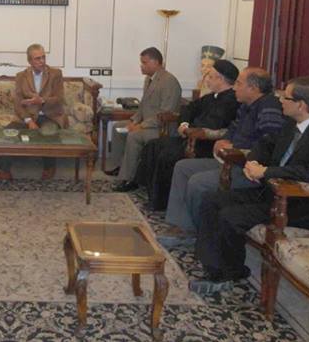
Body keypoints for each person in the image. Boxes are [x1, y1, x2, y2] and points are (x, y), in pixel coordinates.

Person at [191, 77, 309, 294]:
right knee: (212, 199)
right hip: (272, 192)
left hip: (305, 203)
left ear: (301, 105)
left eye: (286, 97)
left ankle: (228, 274)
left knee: (230, 216)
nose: (280, 100)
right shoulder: (291, 122)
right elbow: (265, 143)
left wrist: (266, 172)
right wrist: (253, 162)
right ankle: (212, 265)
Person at [163, 67, 284, 238]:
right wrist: (225, 140)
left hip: (246, 169)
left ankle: (201, 234)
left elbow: (269, 146)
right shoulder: (246, 105)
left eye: (239, 84)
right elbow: (233, 128)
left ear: (253, 88)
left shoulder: (269, 108)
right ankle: (182, 225)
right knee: (182, 167)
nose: (234, 88)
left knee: (199, 182)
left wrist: (236, 150)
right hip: (228, 160)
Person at [133, 59, 240, 209]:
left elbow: (212, 126)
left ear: (220, 79)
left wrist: (189, 129)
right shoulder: (211, 97)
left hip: (205, 144)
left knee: (167, 155)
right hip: (188, 137)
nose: (207, 80)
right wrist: (184, 124)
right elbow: (188, 109)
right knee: (153, 146)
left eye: (210, 77)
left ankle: (162, 202)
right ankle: (150, 192)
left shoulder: (232, 101)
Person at [111, 47, 182, 190]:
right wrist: (133, 120)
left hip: (162, 128)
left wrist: (141, 126)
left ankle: (129, 179)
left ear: (155, 62)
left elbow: (165, 113)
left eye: (144, 62)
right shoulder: (149, 79)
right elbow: (143, 105)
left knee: (134, 136)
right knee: (117, 127)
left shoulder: (169, 81)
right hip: (147, 123)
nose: (141, 66)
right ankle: (121, 167)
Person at [0, 43, 66, 181]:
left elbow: (59, 98)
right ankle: (4, 170)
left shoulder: (55, 74)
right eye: (38, 58)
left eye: (43, 57)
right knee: (7, 133)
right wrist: (28, 121)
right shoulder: (21, 76)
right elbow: (18, 102)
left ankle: (49, 167)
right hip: (28, 116)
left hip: (49, 115)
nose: (42, 61)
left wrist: (42, 101)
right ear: (29, 61)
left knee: (48, 132)